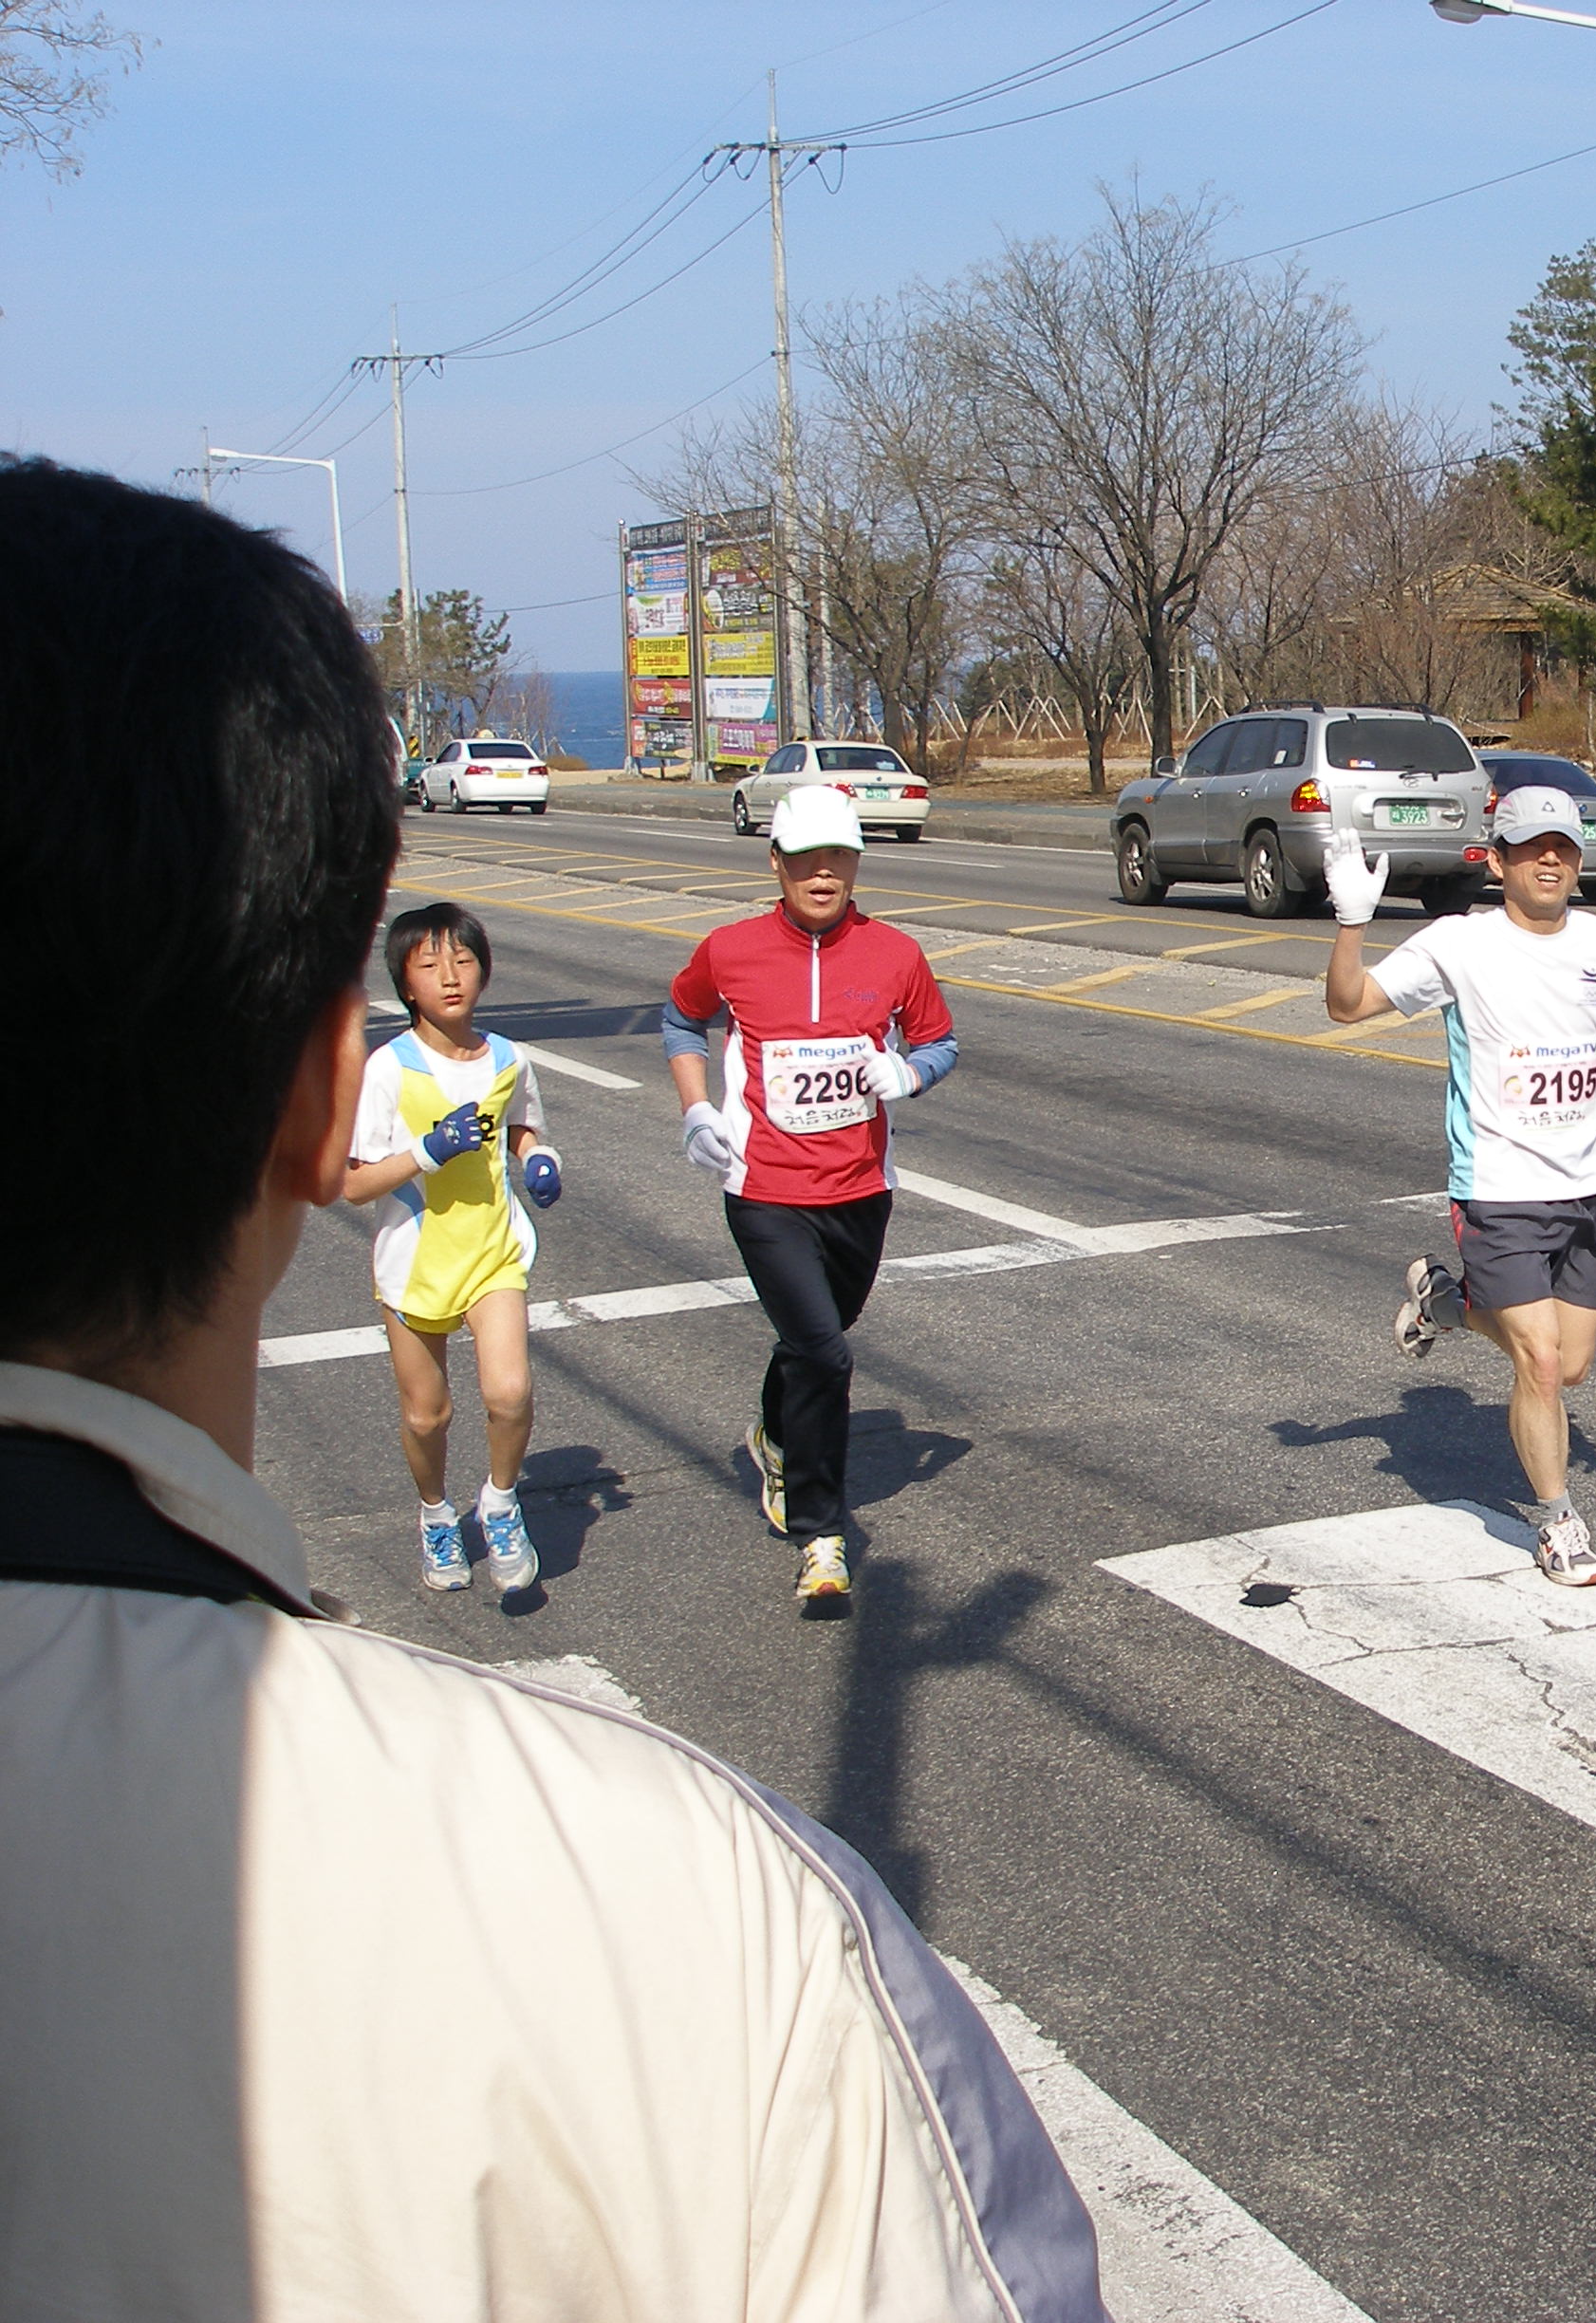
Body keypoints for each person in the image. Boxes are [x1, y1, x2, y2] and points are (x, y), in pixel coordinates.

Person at [0, 458, 1104, 2319]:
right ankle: (767, 1469)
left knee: (795, 1343)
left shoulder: (880, 954)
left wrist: (882, 1087)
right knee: (802, 1361)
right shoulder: (688, 1921)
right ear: (302, 1109)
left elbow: (917, 1034)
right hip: (724, 1215)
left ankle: (672, 1463)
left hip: (833, 1198)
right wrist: (701, 1101)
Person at [1321, 786, 1596, 1587]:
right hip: (1497, 1186)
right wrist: (1352, 925)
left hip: (1584, 1190)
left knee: (1574, 1365)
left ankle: (1443, 1305)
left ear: (1579, 858)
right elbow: (1346, 1006)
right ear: (1498, 860)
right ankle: (1558, 1525)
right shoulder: (1461, 945)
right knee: (1542, 1364)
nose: (1549, 858)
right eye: (1530, 847)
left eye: (1562, 845)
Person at [664, 783, 957, 1606]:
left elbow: (940, 1040)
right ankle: (821, 1532)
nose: (822, 875)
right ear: (777, 864)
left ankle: (773, 1430)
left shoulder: (895, 954)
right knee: (827, 1354)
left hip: (862, 1188)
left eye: (838, 859)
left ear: (858, 864)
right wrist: (693, 1107)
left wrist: (909, 1071)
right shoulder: (730, 949)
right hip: (764, 1188)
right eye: (805, 861)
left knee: (814, 1340)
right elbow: (681, 1021)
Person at [342, 901, 560, 1593]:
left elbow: (523, 1126)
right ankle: (436, 1515)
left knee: (510, 1391)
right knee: (426, 1413)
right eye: (430, 964)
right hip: (414, 1261)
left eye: (463, 960)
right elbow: (353, 1185)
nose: (450, 976)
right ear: (406, 983)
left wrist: (540, 1158)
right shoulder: (387, 1069)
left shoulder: (506, 1058)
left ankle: (499, 1501)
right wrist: (426, 1152)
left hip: (493, 1251)